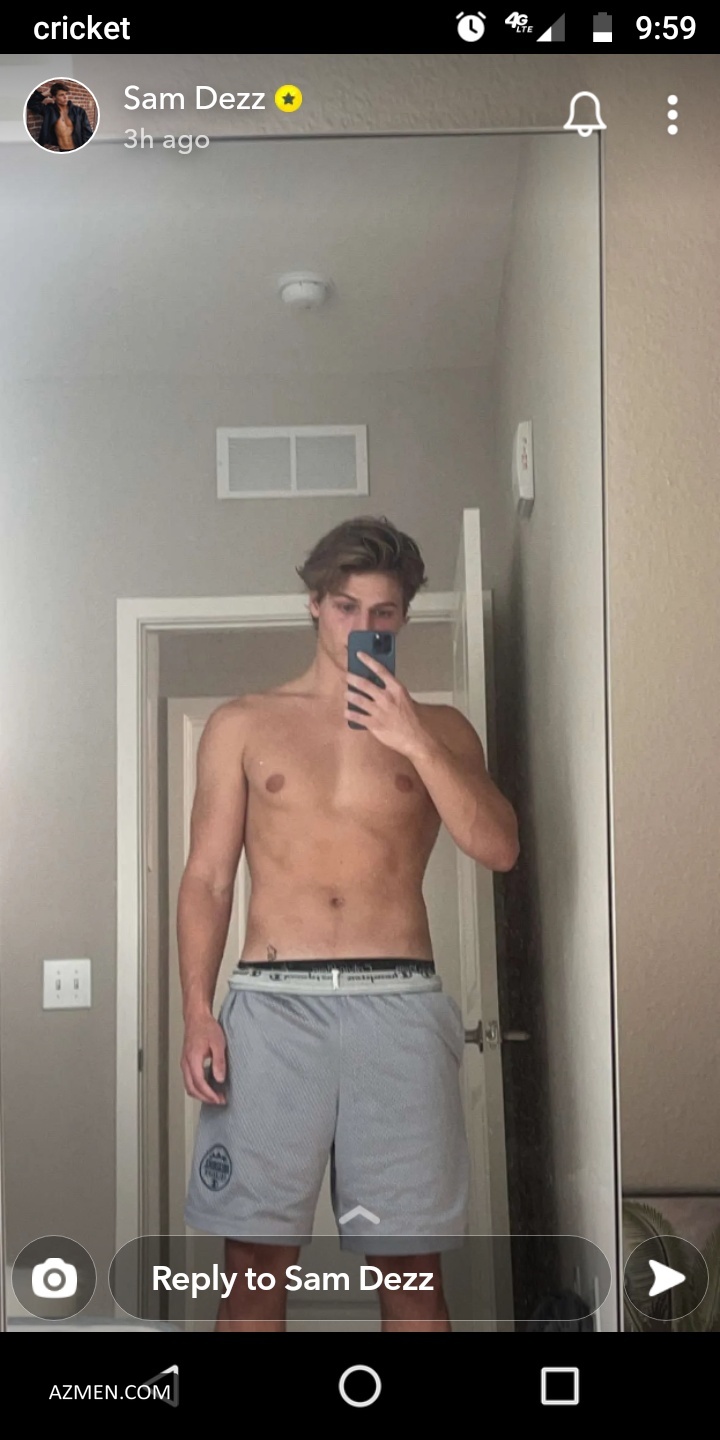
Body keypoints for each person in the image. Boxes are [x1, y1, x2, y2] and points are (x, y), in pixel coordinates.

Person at [179, 515, 520, 1331]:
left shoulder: (443, 730)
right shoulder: (242, 723)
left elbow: (501, 848)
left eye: (383, 612)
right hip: (272, 1009)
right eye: (346, 608)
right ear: (314, 605)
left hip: (398, 1007)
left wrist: (414, 741)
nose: (363, 626)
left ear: (404, 616)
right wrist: (197, 1010)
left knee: (412, 1273)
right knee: (253, 1269)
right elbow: (208, 879)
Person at [26, 82, 94, 151]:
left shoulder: (79, 112)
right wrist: (46, 93)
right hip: (62, 150)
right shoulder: (49, 111)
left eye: (66, 94)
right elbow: (31, 103)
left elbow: (87, 133)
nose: (65, 97)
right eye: (61, 95)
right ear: (54, 97)